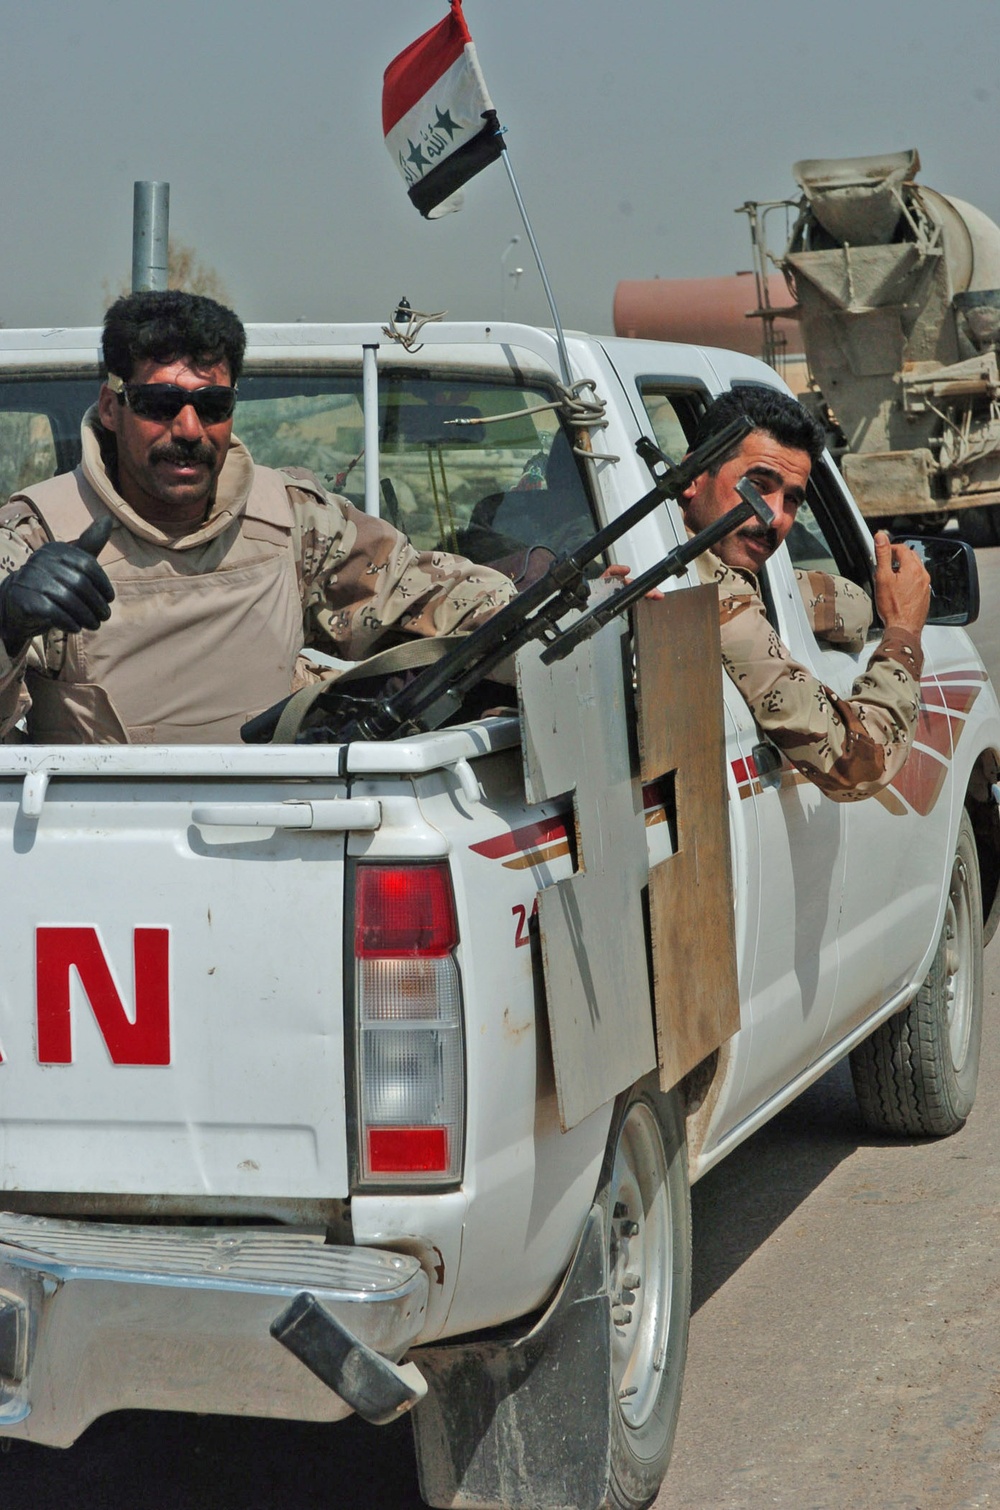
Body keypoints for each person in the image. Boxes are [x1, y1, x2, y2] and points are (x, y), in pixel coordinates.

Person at [0, 291, 514, 744]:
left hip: (274, 825)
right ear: (112, 408)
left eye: (213, 404)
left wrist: (561, 610)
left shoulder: (292, 519)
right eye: (159, 403)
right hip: (94, 835)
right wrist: (6, 624)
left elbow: (440, 599)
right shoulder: (31, 538)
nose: (188, 428)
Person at [680, 385, 931, 802]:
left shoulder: (690, 553)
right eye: (757, 485)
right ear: (692, 477)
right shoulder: (707, 597)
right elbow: (856, 766)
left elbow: (828, 599)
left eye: (792, 499)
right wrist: (903, 633)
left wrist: (867, 604)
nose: (776, 517)